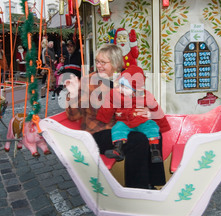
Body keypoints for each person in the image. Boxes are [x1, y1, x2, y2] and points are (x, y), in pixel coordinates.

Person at [64, 43, 166, 189]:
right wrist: (73, 94)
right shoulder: (88, 81)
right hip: (99, 131)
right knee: (137, 140)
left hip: (124, 126)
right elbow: (73, 116)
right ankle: (137, 189)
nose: (99, 65)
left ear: (116, 63)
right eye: (97, 61)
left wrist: (146, 112)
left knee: (155, 132)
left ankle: (153, 182)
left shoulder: (126, 79)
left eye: (103, 62)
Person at [96, 65, 170, 164]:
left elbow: (156, 109)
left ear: (135, 89)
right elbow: (108, 106)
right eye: (120, 85)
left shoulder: (145, 96)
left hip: (141, 122)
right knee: (117, 128)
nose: (121, 89)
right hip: (125, 122)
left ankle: (155, 150)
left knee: (152, 127)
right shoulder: (117, 96)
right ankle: (118, 149)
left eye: (125, 87)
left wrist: (163, 125)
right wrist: (102, 117)